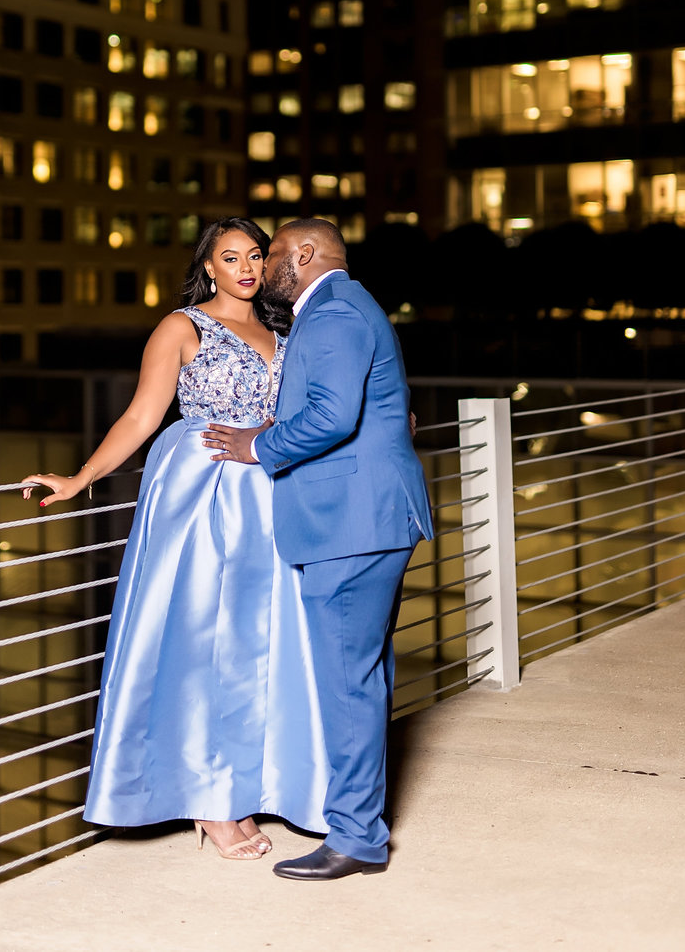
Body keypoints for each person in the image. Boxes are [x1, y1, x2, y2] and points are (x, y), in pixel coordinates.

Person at [22, 218, 329, 861]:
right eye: (229, 257)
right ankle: (211, 801)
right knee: (203, 643)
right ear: (208, 267)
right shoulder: (180, 327)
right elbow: (141, 414)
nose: (245, 267)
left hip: (269, 493)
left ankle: (242, 789)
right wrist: (82, 477)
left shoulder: (284, 329)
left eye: (254, 255)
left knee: (257, 648)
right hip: (204, 494)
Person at [204, 218, 433, 881]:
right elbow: (377, 407)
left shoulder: (332, 312)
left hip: (350, 528)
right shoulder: (347, 307)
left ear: (302, 255)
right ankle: (360, 825)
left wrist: (258, 445)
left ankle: (358, 838)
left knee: (348, 684)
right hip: (367, 521)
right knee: (362, 678)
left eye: (272, 253)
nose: (265, 265)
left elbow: (335, 415)